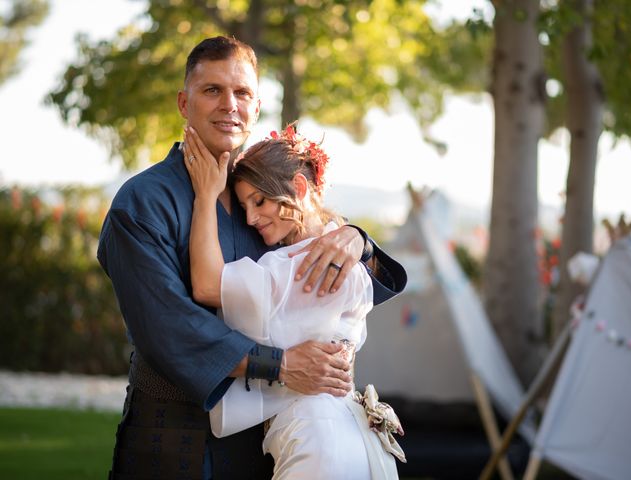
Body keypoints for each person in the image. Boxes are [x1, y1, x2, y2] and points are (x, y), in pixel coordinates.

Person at [97, 36, 406, 480]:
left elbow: (322, 265)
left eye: (242, 93)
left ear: (256, 107)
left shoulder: (259, 201)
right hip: (168, 435)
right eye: (212, 91)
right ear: (184, 103)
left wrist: (357, 240)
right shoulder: (143, 202)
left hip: (261, 440)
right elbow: (166, 326)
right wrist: (281, 365)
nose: (229, 105)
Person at [182, 124, 405, 479]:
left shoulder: (298, 271)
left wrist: (205, 198)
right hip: (358, 437)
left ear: (299, 188)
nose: (252, 218)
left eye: (260, 201)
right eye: (244, 207)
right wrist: (356, 235)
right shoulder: (346, 258)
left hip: (317, 443)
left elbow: (208, 285)